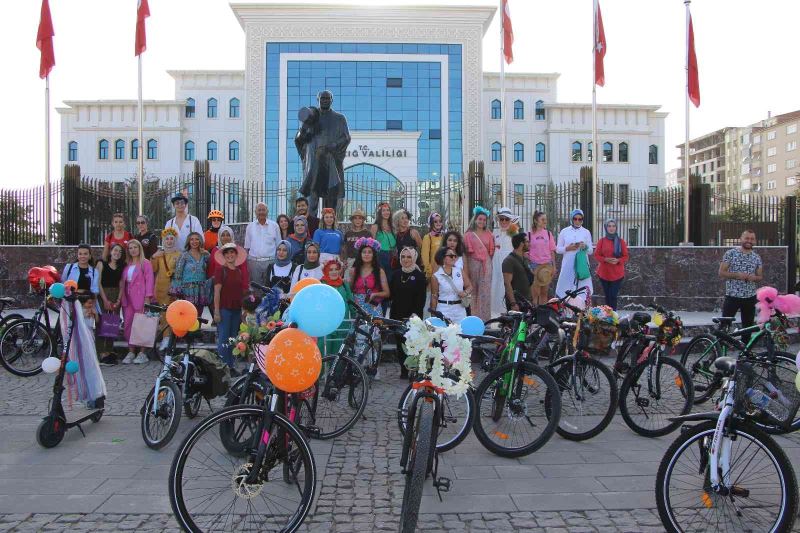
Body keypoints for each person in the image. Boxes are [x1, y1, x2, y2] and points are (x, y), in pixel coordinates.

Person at [295, 91, 351, 212]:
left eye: (327, 98)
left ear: (332, 100)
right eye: (322, 98)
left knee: (330, 205)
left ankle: (329, 229)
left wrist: (333, 145)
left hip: (331, 164)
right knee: (311, 203)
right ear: (318, 99)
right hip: (314, 165)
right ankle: (311, 228)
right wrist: (303, 133)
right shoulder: (311, 117)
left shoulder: (339, 118)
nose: (325, 100)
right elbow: (299, 138)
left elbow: (346, 137)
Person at [390, 247, 427, 379]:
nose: (406, 259)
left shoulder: (419, 276)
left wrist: (415, 314)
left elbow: (421, 298)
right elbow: (390, 295)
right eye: (403, 256)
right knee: (400, 344)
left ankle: (413, 368)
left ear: (414, 258)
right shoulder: (395, 274)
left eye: (409, 257)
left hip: (413, 316)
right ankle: (403, 369)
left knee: (412, 343)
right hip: (396, 314)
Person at [213, 243, 250, 376]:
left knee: (233, 339)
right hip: (224, 309)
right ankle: (223, 367)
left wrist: (243, 311)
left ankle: (231, 365)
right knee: (223, 338)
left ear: (236, 254)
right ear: (224, 256)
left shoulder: (239, 271)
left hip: (236, 309)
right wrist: (216, 311)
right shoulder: (220, 270)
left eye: (232, 252)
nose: (230, 255)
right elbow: (217, 292)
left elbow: (240, 292)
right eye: (227, 253)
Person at [719, 229, 763, 334]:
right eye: (747, 238)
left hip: (750, 298)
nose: (749, 241)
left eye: (752, 239)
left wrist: (754, 278)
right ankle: (719, 349)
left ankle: (745, 349)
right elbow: (721, 272)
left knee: (747, 328)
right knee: (724, 326)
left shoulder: (756, 257)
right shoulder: (730, 253)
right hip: (732, 296)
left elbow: (760, 276)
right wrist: (737, 275)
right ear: (741, 239)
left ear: (755, 241)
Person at [118, 239, 154, 365]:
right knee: (128, 324)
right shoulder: (127, 264)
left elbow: (149, 280)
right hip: (127, 298)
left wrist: (148, 297)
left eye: (135, 247)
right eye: (130, 248)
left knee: (142, 324)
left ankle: (142, 353)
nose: (133, 250)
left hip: (141, 297)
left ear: (140, 249)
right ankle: (131, 351)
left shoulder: (145, 263)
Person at [463, 206, 495, 321]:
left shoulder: (489, 234)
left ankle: (486, 320)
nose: (482, 221)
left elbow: (492, 253)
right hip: (472, 266)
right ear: (475, 219)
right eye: (480, 219)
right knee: (474, 293)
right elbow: (465, 254)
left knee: (485, 294)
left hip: (486, 266)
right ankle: (473, 320)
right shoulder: (468, 235)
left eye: (484, 220)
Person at [96, 243, 125, 365]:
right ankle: (101, 352)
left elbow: (122, 283)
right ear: (110, 251)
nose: (117, 253)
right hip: (103, 294)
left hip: (115, 294)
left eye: (119, 251)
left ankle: (109, 350)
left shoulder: (122, 266)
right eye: (115, 250)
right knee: (102, 323)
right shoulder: (101, 263)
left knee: (112, 324)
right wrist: (105, 300)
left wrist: (119, 299)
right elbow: (98, 282)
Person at [151, 227, 181, 346]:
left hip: (173, 288)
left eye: (171, 239)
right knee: (163, 314)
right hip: (160, 288)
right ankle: (165, 337)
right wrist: (153, 257)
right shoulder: (159, 254)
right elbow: (153, 269)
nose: (169, 241)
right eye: (167, 239)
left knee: (173, 313)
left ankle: (172, 336)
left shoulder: (179, 254)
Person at [555, 208, 594, 300]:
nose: (577, 221)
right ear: (571, 219)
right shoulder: (564, 231)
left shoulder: (586, 232)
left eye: (580, 219)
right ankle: (566, 312)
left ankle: (581, 312)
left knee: (582, 292)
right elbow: (558, 249)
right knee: (566, 290)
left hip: (581, 266)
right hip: (568, 264)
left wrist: (584, 247)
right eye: (575, 219)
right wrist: (567, 248)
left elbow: (590, 251)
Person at [170, 232, 210, 315]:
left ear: (200, 241)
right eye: (192, 239)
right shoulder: (184, 255)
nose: (194, 241)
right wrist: (177, 291)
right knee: (188, 315)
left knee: (198, 316)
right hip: (187, 291)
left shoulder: (205, 255)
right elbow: (178, 274)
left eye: (197, 239)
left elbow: (210, 270)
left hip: (200, 290)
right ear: (188, 241)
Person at [319, 259, 353, 356]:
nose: (334, 272)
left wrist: (356, 317)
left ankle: (337, 372)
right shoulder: (321, 284)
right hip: (325, 325)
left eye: (336, 269)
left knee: (339, 356)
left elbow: (351, 303)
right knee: (323, 354)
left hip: (342, 324)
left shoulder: (344, 285)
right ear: (325, 271)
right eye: (330, 269)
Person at [350, 237, 390, 318]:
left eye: (369, 252)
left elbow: (387, 293)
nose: (366, 254)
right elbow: (350, 289)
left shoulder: (379, 271)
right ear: (360, 254)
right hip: (358, 308)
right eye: (364, 252)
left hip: (374, 307)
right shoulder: (353, 270)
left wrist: (374, 294)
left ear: (373, 255)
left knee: (374, 330)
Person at [594, 218, 629, 310]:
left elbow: (626, 256)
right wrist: (605, 259)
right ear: (606, 227)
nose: (611, 228)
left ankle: (613, 316)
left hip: (617, 274)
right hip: (604, 274)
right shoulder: (602, 241)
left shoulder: (621, 242)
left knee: (613, 296)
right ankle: (608, 317)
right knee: (607, 297)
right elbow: (596, 255)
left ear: (616, 227)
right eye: (609, 226)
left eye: (613, 226)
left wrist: (618, 260)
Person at [491, 207, 521, 315]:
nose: (504, 222)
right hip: (496, 265)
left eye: (506, 219)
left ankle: (509, 313)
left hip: (509, 266)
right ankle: (496, 314)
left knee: (508, 287)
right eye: (501, 219)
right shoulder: (494, 232)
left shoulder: (514, 233)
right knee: (496, 288)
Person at [430, 246, 471, 324]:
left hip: (460, 309)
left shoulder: (460, 271)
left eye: (455, 256)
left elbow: (469, 286)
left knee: (461, 334)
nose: (454, 258)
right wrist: (433, 315)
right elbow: (434, 297)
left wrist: (465, 293)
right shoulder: (436, 276)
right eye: (451, 256)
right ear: (443, 258)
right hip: (444, 309)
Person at [244, 202, 281, 285]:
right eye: (259, 210)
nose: (261, 212)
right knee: (256, 289)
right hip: (254, 263)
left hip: (271, 262)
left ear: (267, 212)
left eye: (263, 210)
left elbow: (279, 245)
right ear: (255, 212)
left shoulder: (274, 226)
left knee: (270, 287)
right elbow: (247, 247)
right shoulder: (250, 226)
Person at [528, 211, 557, 305]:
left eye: (546, 219)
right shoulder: (529, 234)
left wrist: (554, 266)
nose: (545, 221)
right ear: (536, 221)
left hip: (547, 266)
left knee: (544, 292)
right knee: (535, 293)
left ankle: (542, 314)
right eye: (542, 219)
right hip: (535, 266)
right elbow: (525, 250)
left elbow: (552, 250)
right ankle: (535, 314)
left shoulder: (548, 234)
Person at [502, 233, 535, 311]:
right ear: (521, 244)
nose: (529, 244)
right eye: (527, 242)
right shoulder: (509, 261)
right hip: (517, 304)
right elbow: (507, 283)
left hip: (527, 302)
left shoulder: (525, 259)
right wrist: (513, 303)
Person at [343, 209, 371, 278]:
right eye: (355, 218)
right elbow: (344, 248)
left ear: (363, 220)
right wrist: (344, 260)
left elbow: (370, 249)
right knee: (348, 282)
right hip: (350, 261)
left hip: (363, 261)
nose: (358, 220)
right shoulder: (348, 233)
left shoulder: (367, 233)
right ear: (352, 220)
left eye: (360, 218)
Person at [371, 202, 395, 276]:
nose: (386, 212)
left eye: (388, 210)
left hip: (392, 257)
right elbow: (371, 245)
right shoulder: (375, 227)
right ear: (380, 213)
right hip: (380, 256)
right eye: (383, 210)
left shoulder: (393, 227)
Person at [421, 212, 445, 280]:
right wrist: (429, 271)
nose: (438, 223)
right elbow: (424, 256)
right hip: (433, 271)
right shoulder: (427, 237)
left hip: (444, 270)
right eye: (435, 221)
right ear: (431, 223)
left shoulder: (444, 236)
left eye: (440, 221)